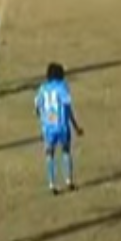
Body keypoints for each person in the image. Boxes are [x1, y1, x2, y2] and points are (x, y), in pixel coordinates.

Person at [34, 62, 84, 194]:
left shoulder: (42, 88)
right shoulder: (63, 87)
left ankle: (52, 184)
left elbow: (37, 107)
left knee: (49, 153)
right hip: (62, 126)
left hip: (48, 127)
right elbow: (67, 107)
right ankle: (69, 181)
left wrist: (43, 119)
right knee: (66, 151)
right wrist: (75, 126)